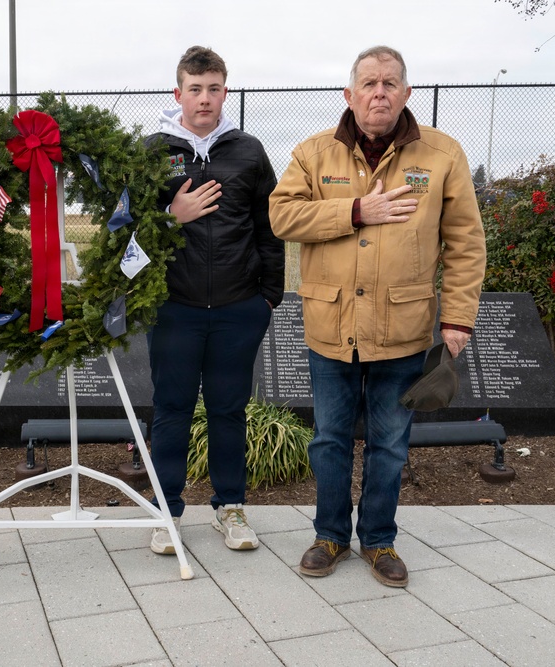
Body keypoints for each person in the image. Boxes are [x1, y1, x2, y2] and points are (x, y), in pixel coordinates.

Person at [268, 46, 486, 587]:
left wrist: (457, 319)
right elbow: (281, 215)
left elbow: (465, 242)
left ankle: (380, 540)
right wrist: (356, 210)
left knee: (390, 443)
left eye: (391, 83)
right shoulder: (314, 154)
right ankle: (329, 535)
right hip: (331, 328)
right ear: (349, 94)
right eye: (368, 83)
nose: (379, 93)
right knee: (330, 440)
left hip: (404, 331)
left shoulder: (442, 155)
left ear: (407, 93)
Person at [145, 46, 285, 555]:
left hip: (237, 308)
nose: (205, 99)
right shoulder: (150, 150)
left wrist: (269, 296)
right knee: (172, 409)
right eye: (195, 89)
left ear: (226, 91)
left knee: (229, 410)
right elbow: (124, 229)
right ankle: (167, 512)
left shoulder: (248, 150)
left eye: (214, 88)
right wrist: (170, 216)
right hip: (174, 308)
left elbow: (269, 229)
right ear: (177, 93)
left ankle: (231, 507)